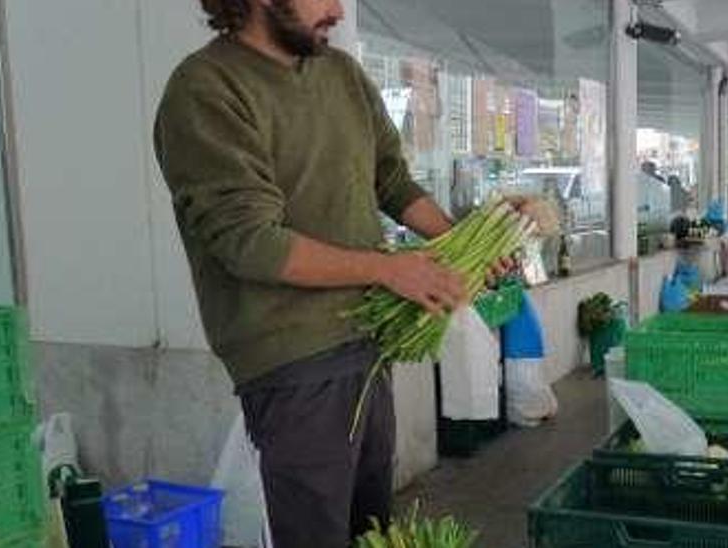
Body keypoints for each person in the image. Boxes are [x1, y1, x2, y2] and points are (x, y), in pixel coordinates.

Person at [154, 1, 510, 545]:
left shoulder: (340, 73)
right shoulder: (206, 90)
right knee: (316, 531)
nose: (338, 9)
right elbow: (249, 243)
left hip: (367, 342)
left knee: (371, 528)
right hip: (292, 359)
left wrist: (463, 246)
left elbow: (390, 181)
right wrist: (389, 270)